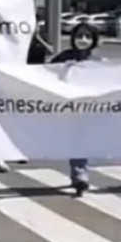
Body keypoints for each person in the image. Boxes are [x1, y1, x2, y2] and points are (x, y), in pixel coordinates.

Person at [50, 23, 100, 196]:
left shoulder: (99, 62)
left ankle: (79, 173)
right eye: (79, 36)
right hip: (68, 108)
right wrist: (63, 69)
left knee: (83, 140)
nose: (83, 40)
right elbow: (45, 74)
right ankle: (78, 173)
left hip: (91, 109)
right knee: (76, 140)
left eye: (87, 36)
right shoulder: (64, 57)